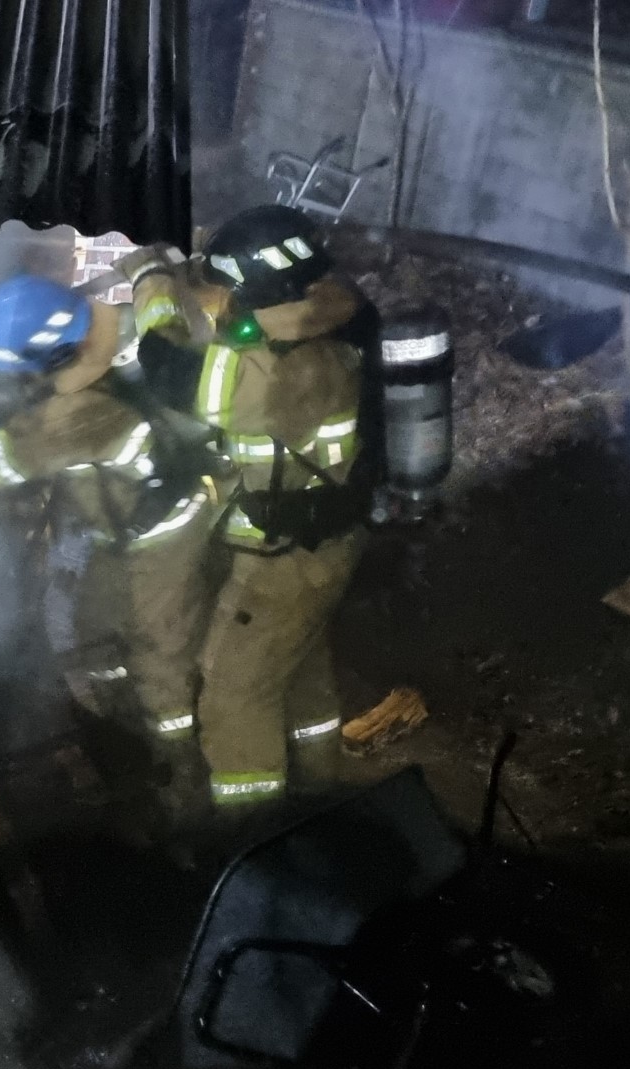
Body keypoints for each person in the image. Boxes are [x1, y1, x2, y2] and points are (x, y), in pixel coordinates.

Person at [0, 274, 223, 819]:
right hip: (130, 525)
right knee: (96, 632)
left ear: (44, 359)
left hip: (165, 533)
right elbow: (160, 301)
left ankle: (184, 791)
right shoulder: (125, 332)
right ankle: (122, 735)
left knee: (161, 657)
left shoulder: (76, 413)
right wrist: (150, 273)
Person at [185, 205, 371, 812]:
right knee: (299, 664)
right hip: (328, 543)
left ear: (261, 285)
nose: (224, 300)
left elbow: (205, 399)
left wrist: (152, 289)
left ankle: (254, 825)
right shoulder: (340, 322)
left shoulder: (271, 367)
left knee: (233, 690)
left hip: (285, 555)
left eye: (232, 287)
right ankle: (319, 788)